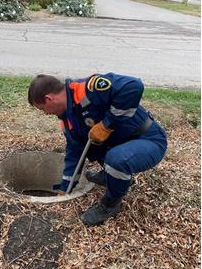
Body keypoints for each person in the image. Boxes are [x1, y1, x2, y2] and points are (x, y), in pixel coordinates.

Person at [28, 73, 167, 226]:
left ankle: (110, 205)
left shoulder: (87, 89)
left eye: (43, 109)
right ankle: (113, 177)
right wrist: (65, 188)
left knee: (116, 159)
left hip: (147, 139)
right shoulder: (67, 118)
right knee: (89, 142)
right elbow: (75, 151)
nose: (46, 114)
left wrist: (107, 125)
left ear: (49, 98)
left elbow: (133, 86)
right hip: (122, 144)